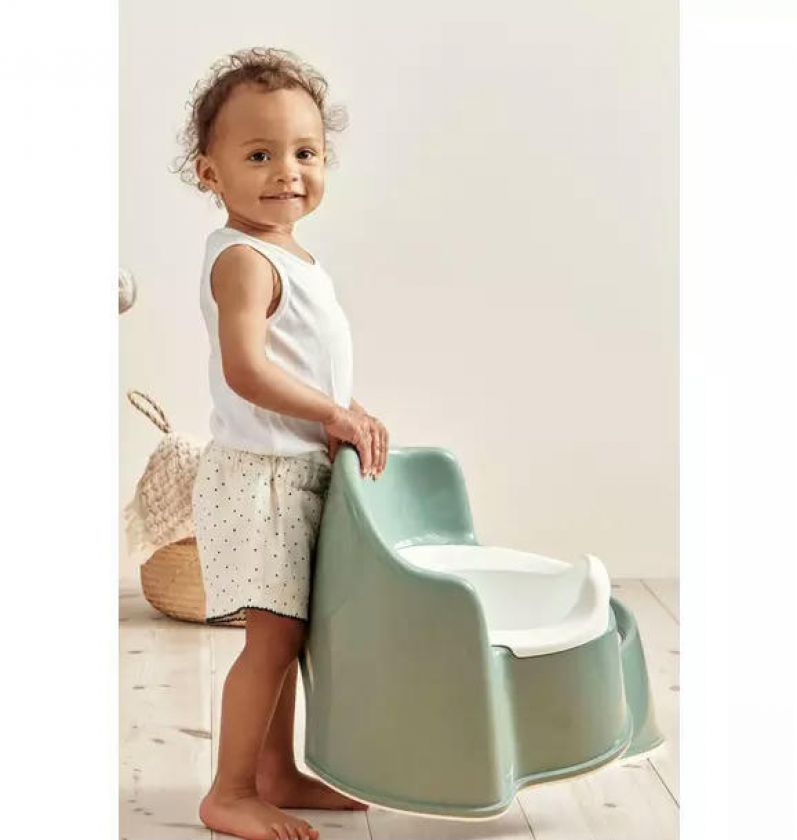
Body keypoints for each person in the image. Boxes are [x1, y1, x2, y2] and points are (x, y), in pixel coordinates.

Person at [173, 47, 388, 840]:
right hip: (259, 479)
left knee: (288, 633)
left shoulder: (292, 258)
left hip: (289, 473)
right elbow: (247, 370)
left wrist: (342, 408)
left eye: (305, 152)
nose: (286, 172)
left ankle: (276, 771)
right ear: (210, 173)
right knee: (269, 639)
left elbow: (299, 365)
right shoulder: (243, 260)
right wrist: (332, 413)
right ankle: (229, 791)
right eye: (259, 155)